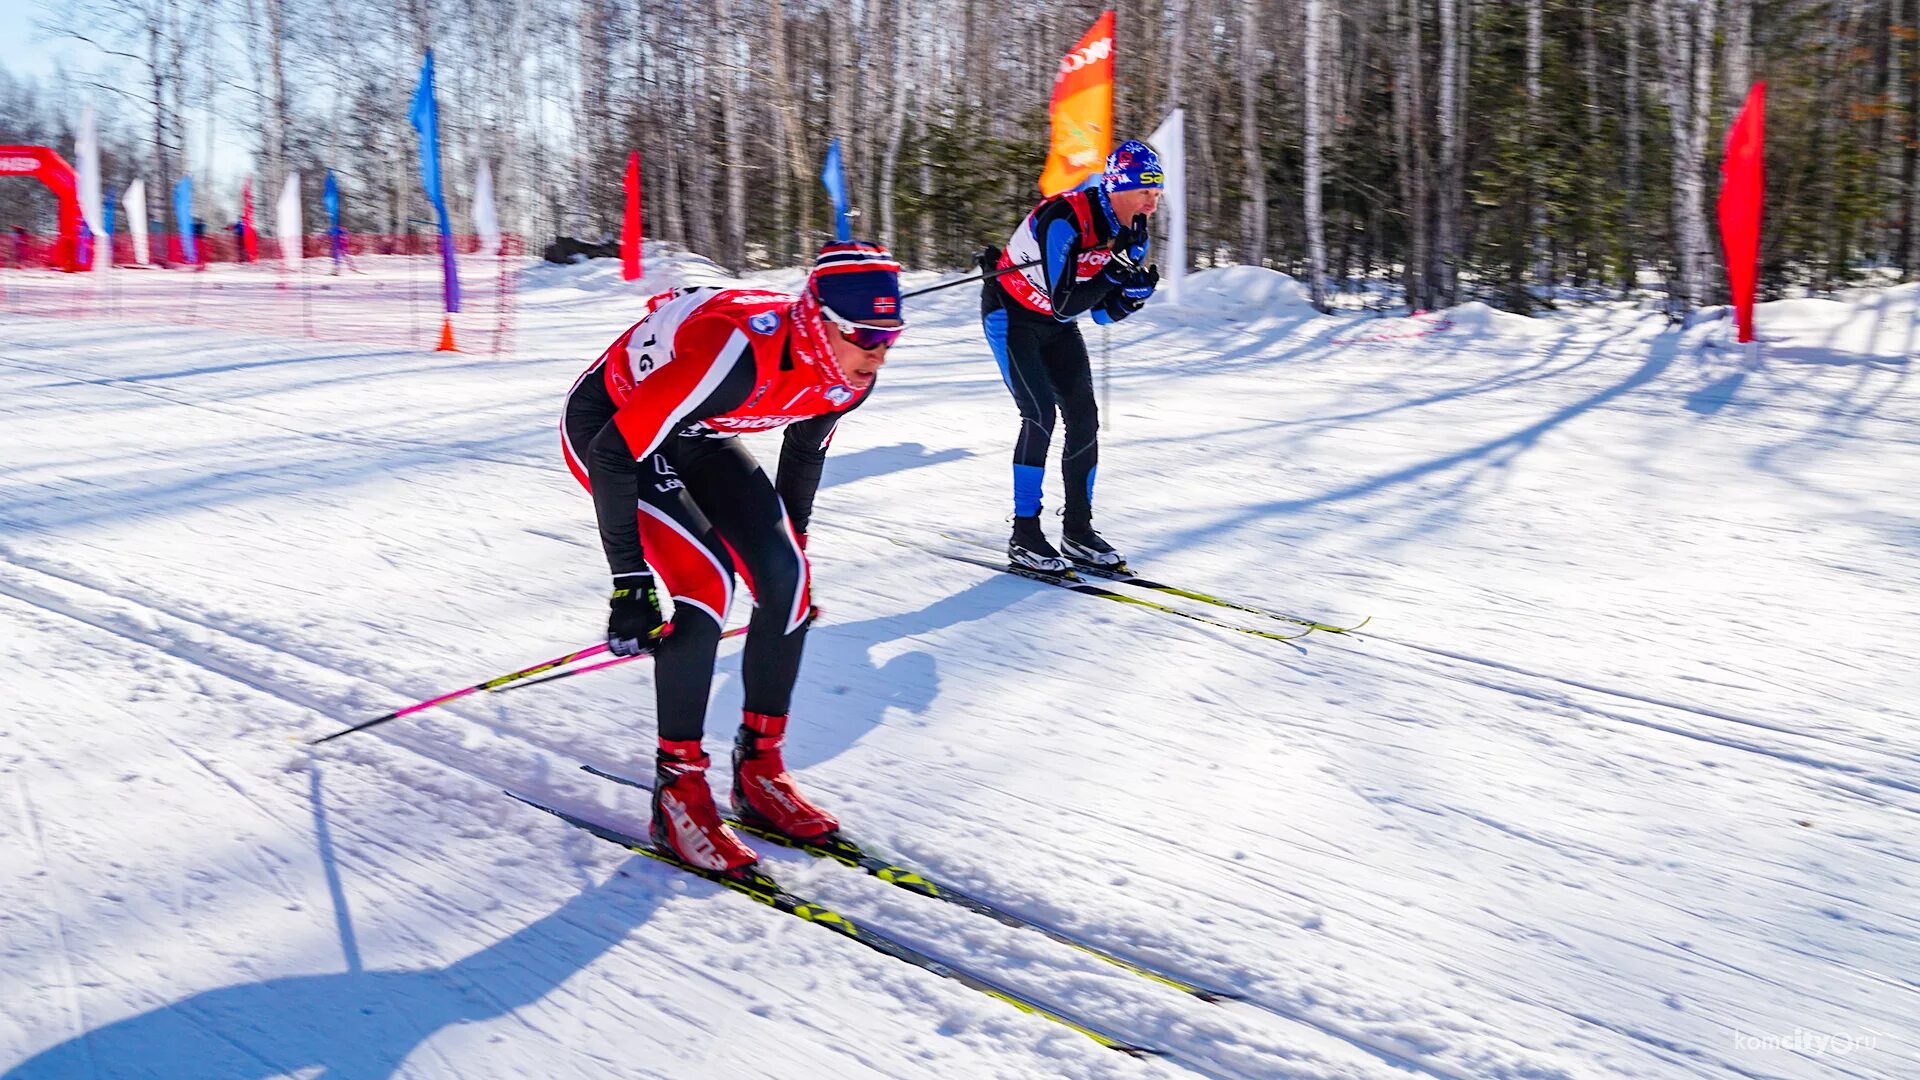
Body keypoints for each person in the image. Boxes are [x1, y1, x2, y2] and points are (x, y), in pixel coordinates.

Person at [561, 241, 906, 874]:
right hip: (613, 427)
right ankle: (679, 793)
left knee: (788, 583)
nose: (876, 355)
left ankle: (758, 774)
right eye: (864, 336)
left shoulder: (849, 372)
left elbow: (804, 451)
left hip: (698, 430)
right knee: (707, 583)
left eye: (890, 337)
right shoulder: (736, 351)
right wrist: (630, 581)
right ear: (820, 320)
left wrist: (787, 554)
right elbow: (614, 452)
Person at [979, 140, 1163, 575]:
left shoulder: (1134, 233)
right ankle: (1025, 534)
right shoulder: (1064, 216)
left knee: (1084, 417)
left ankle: (1078, 530)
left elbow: (1099, 312)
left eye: (1157, 195)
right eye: (1145, 193)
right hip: (1013, 317)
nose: (1152, 206)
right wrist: (1115, 274)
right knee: (1039, 414)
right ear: (1117, 188)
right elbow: (1065, 301)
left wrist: (1131, 299)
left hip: (1057, 326)